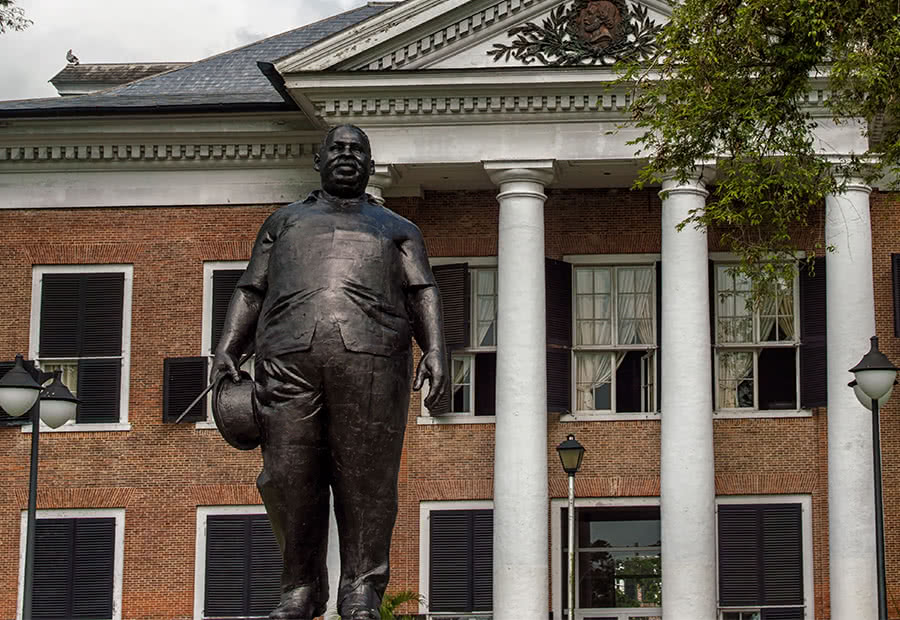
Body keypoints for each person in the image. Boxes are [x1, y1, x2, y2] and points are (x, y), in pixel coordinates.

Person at [211, 124, 448, 620]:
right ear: (318, 161)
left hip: (374, 362)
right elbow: (251, 289)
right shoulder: (284, 222)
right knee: (286, 477)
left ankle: (362, 588)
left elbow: (423, 290)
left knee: (368, 481)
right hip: (287, 362)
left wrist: (436, 348)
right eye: (337, 149)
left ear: (370, 163)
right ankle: (300, 588)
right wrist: (228, 346)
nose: (346, 156)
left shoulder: (399, 228)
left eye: (357, 150)